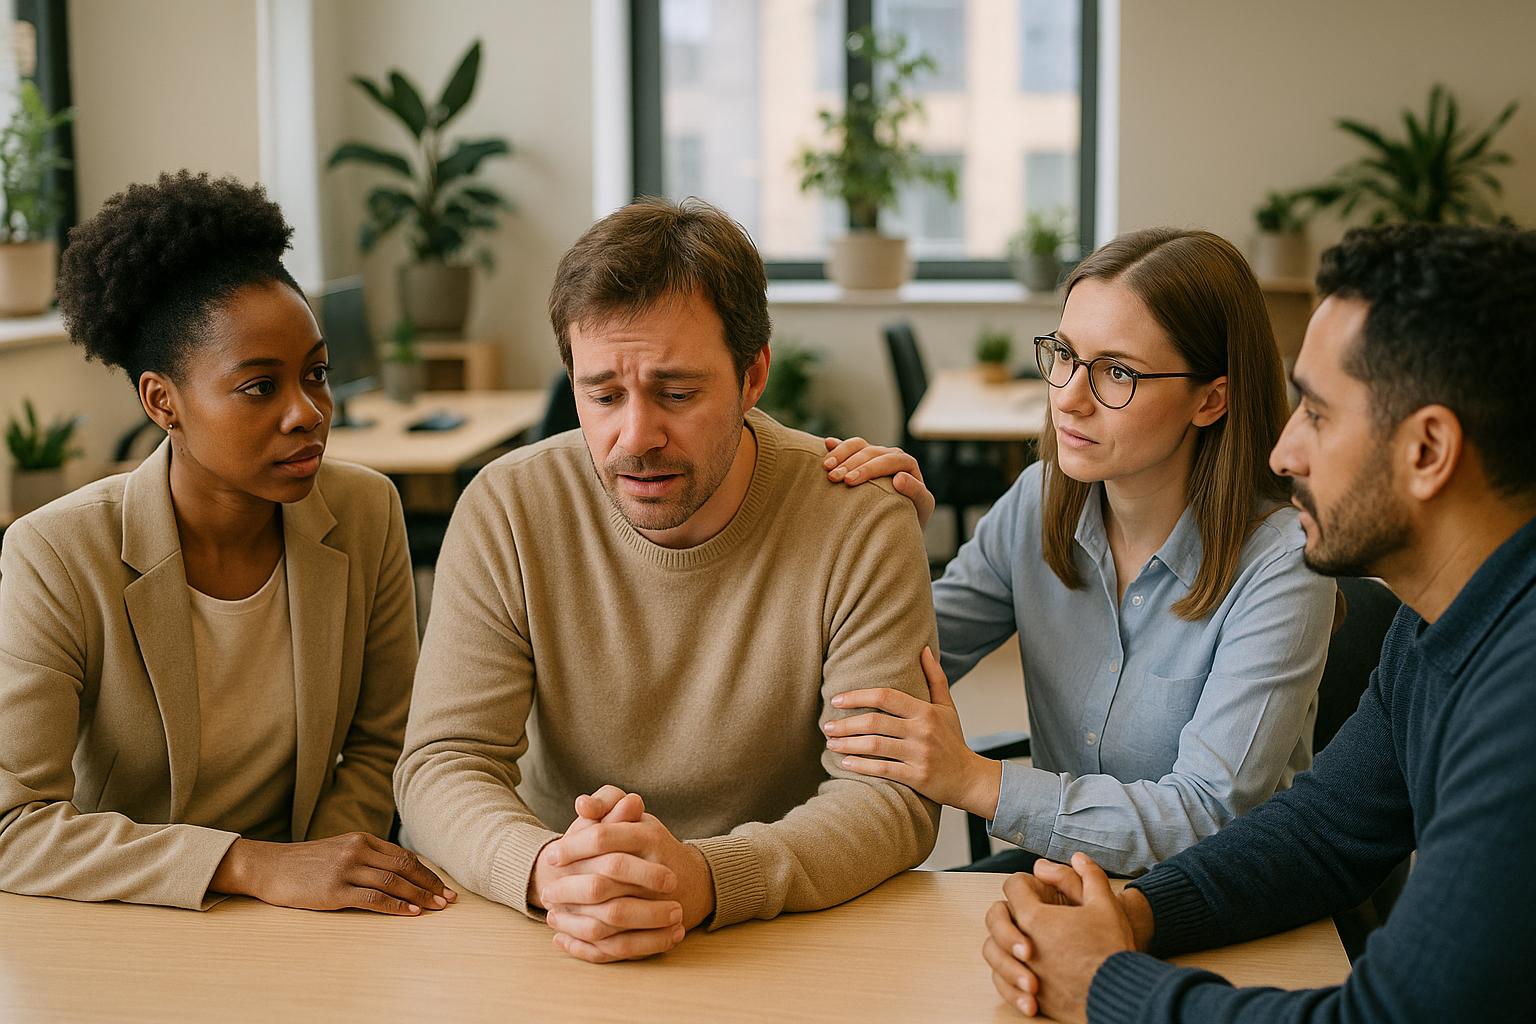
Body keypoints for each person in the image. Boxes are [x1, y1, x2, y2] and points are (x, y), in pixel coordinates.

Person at [982, 223, 1536, 1022]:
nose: (1281, 452)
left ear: (1427, 451)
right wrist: (1134, 916)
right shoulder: (1435, 627)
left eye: (1315, 412)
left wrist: (1105, 986)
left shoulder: (1519, 702)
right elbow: (1322, 834)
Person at [393, 197, 940, 964]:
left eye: (678, 394)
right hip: (563, 925)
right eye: (603, 395)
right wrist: (549, 870)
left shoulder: (859, 519)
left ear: (753, 375)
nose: (636, 437)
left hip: (783, 942)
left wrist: (708, 879)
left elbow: (891, 798)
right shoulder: (508, 506)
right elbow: (442, 763)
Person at [0, 172, 452, 915]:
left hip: (305, 921)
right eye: (258, 387)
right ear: (162, 401)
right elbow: (15, 825)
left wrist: (325, 870)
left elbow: (383, 742)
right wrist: (249, 866)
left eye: (317, 375)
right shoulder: (57, 553)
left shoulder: (367, 511)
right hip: (133, 916)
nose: (307, 413)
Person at [820, 228, 1337, 874]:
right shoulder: (1039, 503)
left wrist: (975, 780)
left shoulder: (1282, 563)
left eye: (1117, 372)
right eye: (1064, 355)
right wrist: (883, 540)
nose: (1067, 396)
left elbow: (1208, 815)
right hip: (1067, 879)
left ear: (1211, 399)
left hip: (1217, 903)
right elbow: (894, 661)